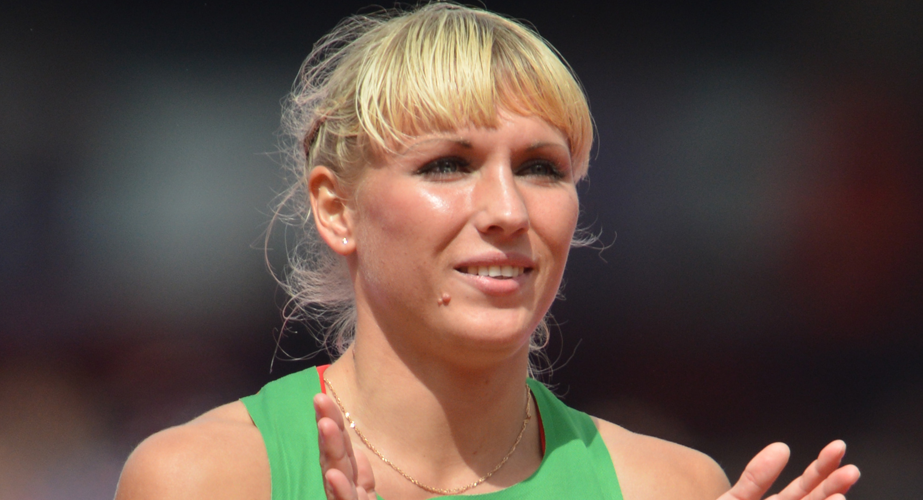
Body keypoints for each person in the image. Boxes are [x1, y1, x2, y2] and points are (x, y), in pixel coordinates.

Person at [115, 4, 860, 500]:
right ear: (336, 208)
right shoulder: (204, 480)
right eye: (448, 164)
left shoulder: (665, 488)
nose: (507, 211)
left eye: (541, 168)